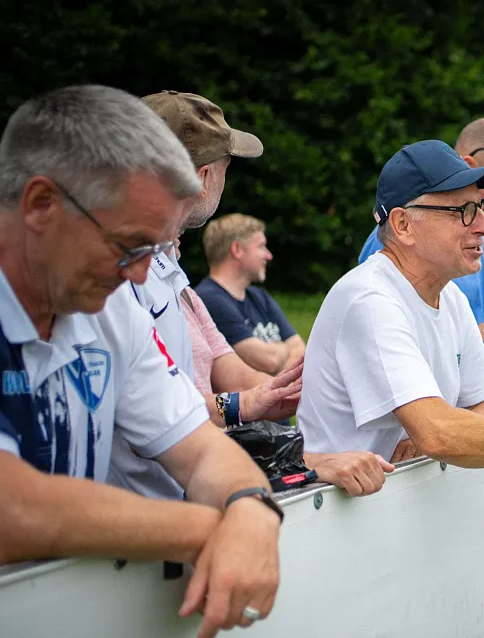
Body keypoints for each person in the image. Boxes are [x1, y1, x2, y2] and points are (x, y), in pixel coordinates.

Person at [0, 85, 280, 638]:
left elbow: (198, 448)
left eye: (153, 251)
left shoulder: (107, 299)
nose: (141, 277)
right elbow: (4, 511)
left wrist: (252, 507)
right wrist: (215, 527)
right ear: (42, 205)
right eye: (128, 247)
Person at [114, 90, 390, 499]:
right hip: (146, 517)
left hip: (183, 499)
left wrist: (293, 391)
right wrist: (252, 410)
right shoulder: (125, 275)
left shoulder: (170, 273)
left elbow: (235, 371)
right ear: (203, 176)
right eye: (225, 167)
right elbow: (155, 417)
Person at [298, 140, 484, 496]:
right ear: (404, 225)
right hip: (339, 524)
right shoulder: (370, 299)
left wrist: (431, 438)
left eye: (481, 206)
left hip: (386, 511)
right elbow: (439, 432)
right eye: (463, 211)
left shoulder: (449, 295)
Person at [357, 117, 484, 411]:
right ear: (468, 165)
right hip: (437, 441)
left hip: (481, 435)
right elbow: (393, 360)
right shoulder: (400, 243)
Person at [196, 214, 304, 375]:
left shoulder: (259, 296)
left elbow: (301, 351)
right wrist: (284, 349)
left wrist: (279, 356)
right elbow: (269, 361)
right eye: (261, 246)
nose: (269, 255)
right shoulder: (208, 299)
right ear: (237, 250)